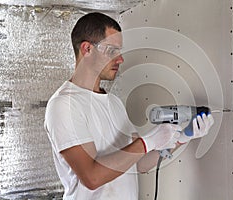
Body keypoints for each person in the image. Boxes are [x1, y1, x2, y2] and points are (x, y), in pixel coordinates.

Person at [44, 12, 214, 200]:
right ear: (87, 49)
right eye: (112, 51)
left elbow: (139, 163)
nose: (120, 59)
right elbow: (91, 177)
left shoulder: (114, 103)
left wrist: (182, 136)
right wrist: (146, 142)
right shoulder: (64, 105)